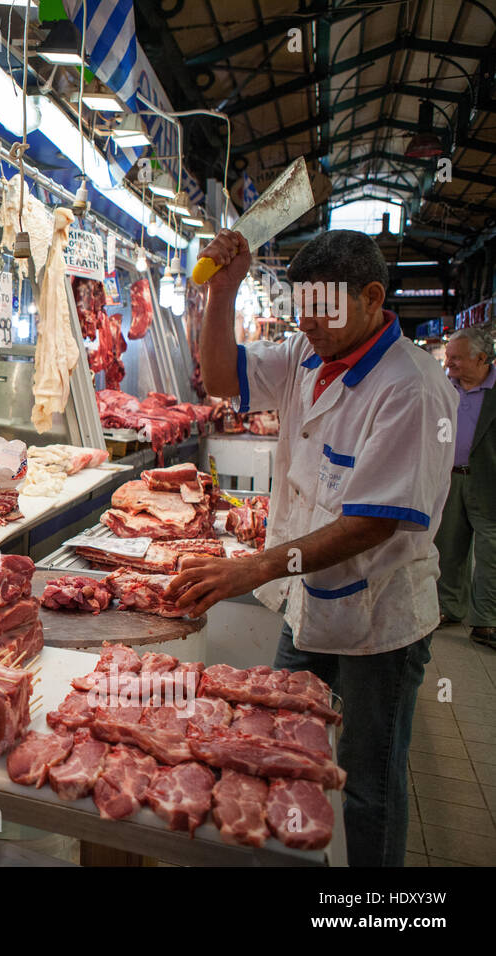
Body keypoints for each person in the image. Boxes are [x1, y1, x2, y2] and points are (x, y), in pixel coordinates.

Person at [168, 229, 458, 867]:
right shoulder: (308, 350)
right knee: (275, 746)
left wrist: (257, 567)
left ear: (372, 297)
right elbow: (220, 377)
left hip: (378, 620)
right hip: (311, 604)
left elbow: (371, 523)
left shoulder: (409, 388)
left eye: (321, 309)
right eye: (301, 308)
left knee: (366, 783)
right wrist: (225, 290)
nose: (307, 324)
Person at [437, 327, 496, 648]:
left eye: (456, 358)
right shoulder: (446, 388)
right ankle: (449, 608)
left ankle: (486, 620)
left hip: (487, 480)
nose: (450, 364)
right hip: (450, 477)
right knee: (449, 547)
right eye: (448, 357)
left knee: (490, 552)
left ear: (482, 358)